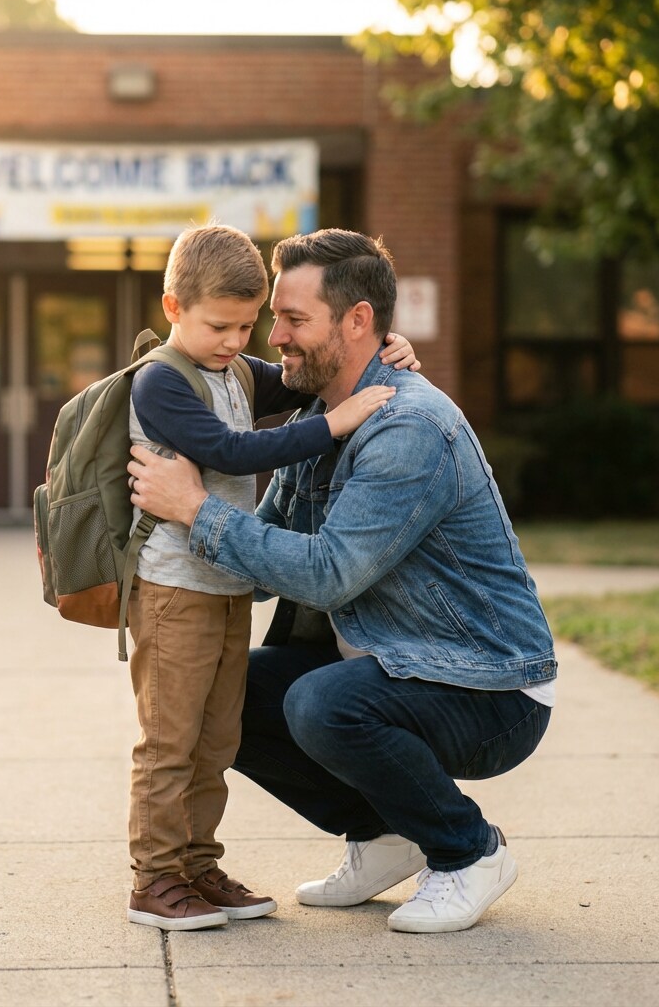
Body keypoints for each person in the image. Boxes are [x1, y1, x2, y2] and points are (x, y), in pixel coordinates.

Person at [128, 228, 557, 935]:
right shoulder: (319, 414)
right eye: (274, 319)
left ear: (358, 321)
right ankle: (385, 837)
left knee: (323, 705)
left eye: (293, 321)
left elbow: (325, 576)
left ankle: (468, 852)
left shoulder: (407, 426)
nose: (273, 338)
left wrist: (197, 509)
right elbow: (267, 560)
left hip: (489, 685)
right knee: (230, 690)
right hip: (393, 656)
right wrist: (182, 536)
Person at [124, 224, 420, 932]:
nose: (236, 341)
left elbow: (303, 381)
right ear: (173, 308)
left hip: (224, 588)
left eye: (247, 325)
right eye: (217, 325)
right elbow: (232, 447)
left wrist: (386, 352)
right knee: (171, 741)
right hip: (173, 594)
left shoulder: (231, 371)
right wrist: (338, 422)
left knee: (217, 738)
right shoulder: (162, 379)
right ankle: (154, 879)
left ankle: (197, 865)